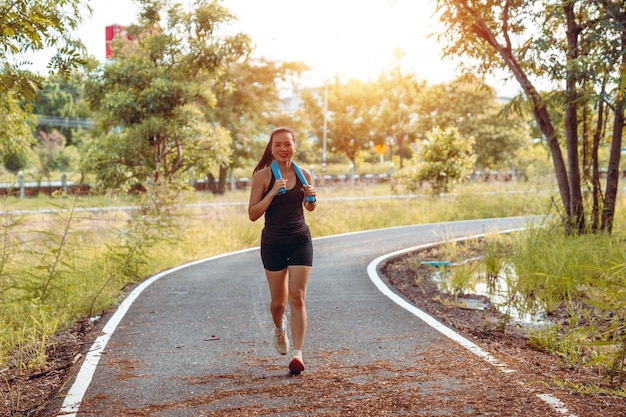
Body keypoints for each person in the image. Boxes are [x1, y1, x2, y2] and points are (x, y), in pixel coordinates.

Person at [248, 127, 317, 375]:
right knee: (279, 302)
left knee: (297, 297)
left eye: (287, 144)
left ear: (294, 146)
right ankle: (279, 327)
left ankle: (298, 354)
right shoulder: (263, 177)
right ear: (271, 148)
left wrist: (312, 198)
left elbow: (309, 209)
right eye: (277, 144)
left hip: (300, 239)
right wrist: (273, 192)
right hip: (273, 243)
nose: (282, 148)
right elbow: (253, 214)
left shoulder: (304, 173)